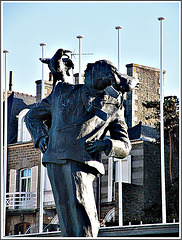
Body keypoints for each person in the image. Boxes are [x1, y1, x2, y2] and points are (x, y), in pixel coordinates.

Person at [25, 51, 135, 237]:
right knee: (64, 210)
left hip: (83, 161)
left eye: (97, 74)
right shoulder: (63, 91)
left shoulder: (113, 106)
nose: (88, 75)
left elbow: (125, 146)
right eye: (89, 72)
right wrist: (41, 138)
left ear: (107, 79)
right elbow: (32, 116)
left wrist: (106, 144)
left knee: (81, 207)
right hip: (54, 157)